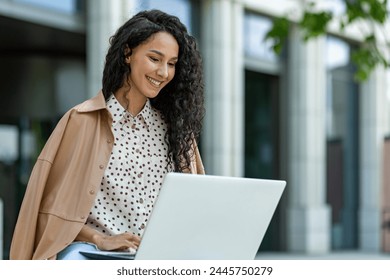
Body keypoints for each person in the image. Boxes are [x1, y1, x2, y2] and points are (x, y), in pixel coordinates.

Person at [10, 9, 205, 260]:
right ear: (128, 54)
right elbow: (52, 213)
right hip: (93, 255)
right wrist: (99, 239)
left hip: (160, 258)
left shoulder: (177, 132)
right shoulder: (81, 121)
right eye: (155, 59)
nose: (163, 73)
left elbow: (196, 209)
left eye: (171, 64)